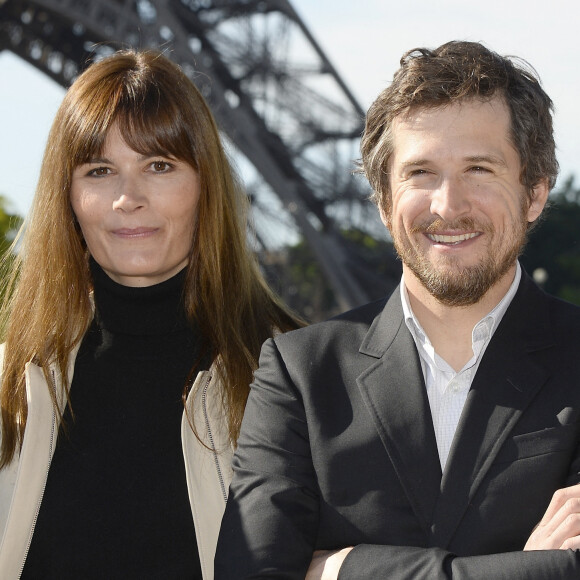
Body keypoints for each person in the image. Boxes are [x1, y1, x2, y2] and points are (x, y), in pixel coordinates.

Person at [215, 41, 580, 579]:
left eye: (479, 169)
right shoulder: (299, 373)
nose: (448, 205)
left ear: (534, 194)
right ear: (384, 203)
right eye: (421, 173)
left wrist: (341, 571)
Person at [0, 49, 302, 579]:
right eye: (99, 170)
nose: (127, 197)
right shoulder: (9, 387)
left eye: (158, 166)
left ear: (205, 185)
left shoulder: (301, 379)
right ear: (68, 197)